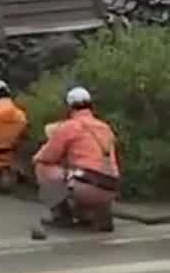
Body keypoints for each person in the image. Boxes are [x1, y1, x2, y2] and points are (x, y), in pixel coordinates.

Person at [33, 86, 120, 231]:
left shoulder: (69, 127)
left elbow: (47, 156)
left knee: (42, 167)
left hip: (86, 185)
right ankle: (93, 213)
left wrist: (37, 157)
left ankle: (61, 215)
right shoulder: (105, 127)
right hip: (111, 185)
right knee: (84, 173)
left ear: (69, 107)